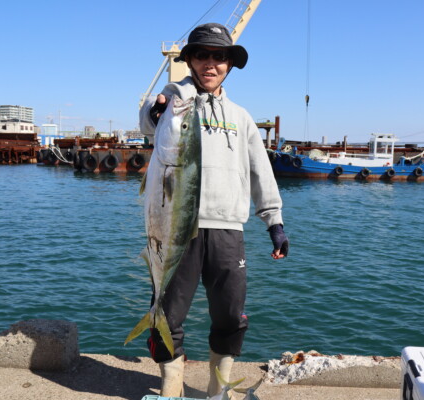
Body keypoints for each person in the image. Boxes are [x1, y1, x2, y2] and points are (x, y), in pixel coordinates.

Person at [139, 22, 289, 397]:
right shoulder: (176, 100)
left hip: (227, 232)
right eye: (201, 54)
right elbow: (148, 118)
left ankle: (217, 390)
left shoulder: (241, 117)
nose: (210, 63)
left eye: (219, 56)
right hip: (175, 229)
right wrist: (158, 109)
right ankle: (171, 389)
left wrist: (275, 222)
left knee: (230, 316)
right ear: (189, 59)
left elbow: (260, 172)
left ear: (229, 64)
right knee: (166, 315)